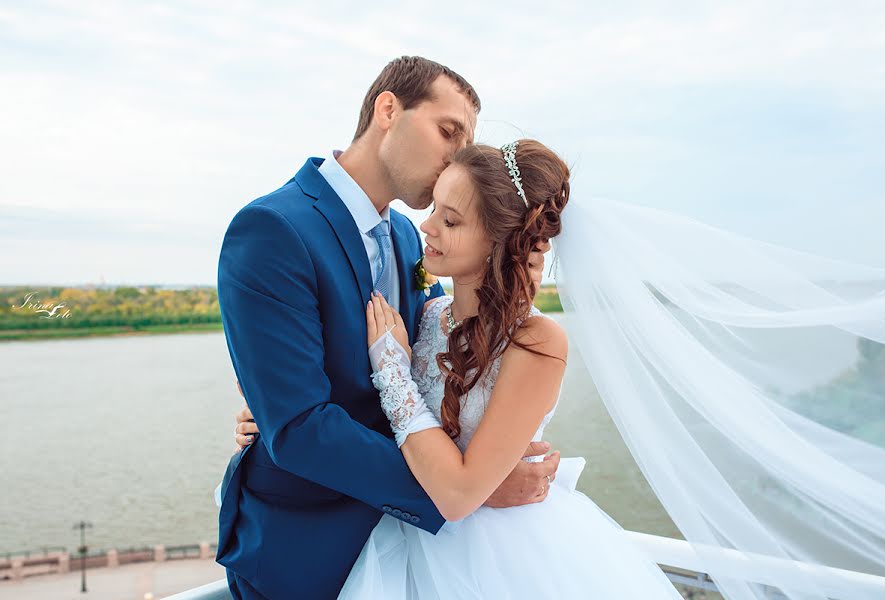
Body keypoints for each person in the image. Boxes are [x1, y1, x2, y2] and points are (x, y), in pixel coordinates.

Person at [235, 140, 685, 598]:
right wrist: (274, 416)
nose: (425, 227)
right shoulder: (429, 316)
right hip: (399, 539)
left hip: (501, 556)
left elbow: (457, 490)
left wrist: (392, 368)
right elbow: (356, 400)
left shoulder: (537, 341)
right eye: (434, 210)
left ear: (499, 243)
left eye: (450, 220)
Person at [216, 56, 558, 600]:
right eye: (449, 131)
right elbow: (300, 427)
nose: (457, 155)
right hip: (308, 548)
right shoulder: (272, 229)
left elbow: (444, 361)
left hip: (406, 552)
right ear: (388, 109)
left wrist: (496, 448)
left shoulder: (408, 236)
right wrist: (469, 490)